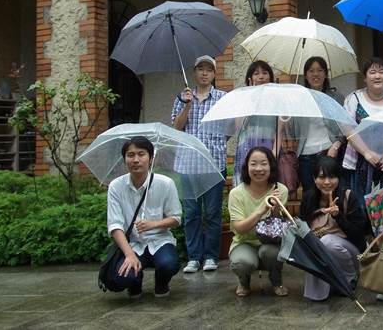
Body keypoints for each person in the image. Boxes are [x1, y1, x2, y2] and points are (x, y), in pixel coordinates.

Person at [171, 55, 227, 274]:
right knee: (192, 213)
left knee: (212, 213)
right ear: (194, 73)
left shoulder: (223, 98)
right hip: (187, 165)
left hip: (214, 163)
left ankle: (211, 256)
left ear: (214, 74)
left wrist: (216, 145)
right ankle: (194, 257)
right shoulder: (182, 97)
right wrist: (186, 106)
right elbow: (176, 128)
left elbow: (228, 129)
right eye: (200, 69)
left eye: (209, 69)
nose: (204, 73)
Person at [107, 136, 182, 298]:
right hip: (132, 244)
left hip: (160, 241)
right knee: (121, 277)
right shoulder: (116, 186)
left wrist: (153, 224)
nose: (136, 160)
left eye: (141, 154)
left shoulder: (166, 184)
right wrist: (129, 254)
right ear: (124, 159)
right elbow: (115, 226)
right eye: (130, 155)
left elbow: (176, 218)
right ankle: (135, 282)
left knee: (169, 264)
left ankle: (161, 283)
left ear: (151, 158)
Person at [299, 155, 367, 301]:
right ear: (314, 179)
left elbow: (359, 236)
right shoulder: (309, 198)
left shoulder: (349, 197)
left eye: (332, 177)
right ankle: (330, 283)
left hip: (350, 252)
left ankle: (350, 277)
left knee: (327, 241)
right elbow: (303, 228)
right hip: (320, 251)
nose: (327, 182)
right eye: (322, 178)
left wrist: (338, 216)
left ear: (338, 178)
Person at [227, 145, 289, 297]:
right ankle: (244, 280)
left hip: (269, 244)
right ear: (246, 167)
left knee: (272, 253)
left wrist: (275, 208)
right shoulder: (236, 193)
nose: (259, 168)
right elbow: (240, 228)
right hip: (244, 242)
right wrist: (261, 209)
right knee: (242, 262)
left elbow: (279, 228)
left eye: (264, 163)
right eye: (253, 164)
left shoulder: (280, 190)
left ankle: (276, 280)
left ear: (271, 166)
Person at [343, 57, 383, 200]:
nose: (377, 76)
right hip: (360, 163)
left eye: (381, 72)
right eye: (372, 72)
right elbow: (348, 128)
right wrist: (366, 152)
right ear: (365, 78)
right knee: (359, 206)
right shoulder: (353, 99)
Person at [294, 56, 346, 193]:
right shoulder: (300, 98)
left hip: (328, 152)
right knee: (310, 196)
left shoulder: (336, 97)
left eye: (320, 70)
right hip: (305, 156)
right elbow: (292, 130)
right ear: (305, 75)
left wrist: (336, 145)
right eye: (311, 71)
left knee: (331, 194)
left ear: (326, 74)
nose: (315, 74)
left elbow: (346, 126)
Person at [233, 60, 276, 186]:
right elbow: (239, 127)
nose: (261, 76)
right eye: (256, 73)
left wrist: (274, 154)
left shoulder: (276, 100)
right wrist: (249, 97)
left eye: (265, 73)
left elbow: (280, 132)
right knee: (245, 186)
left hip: (268, 146)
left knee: (268, 188)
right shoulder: (243, 99)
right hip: (247, 147)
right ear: (250, 78)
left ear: (270, 77)